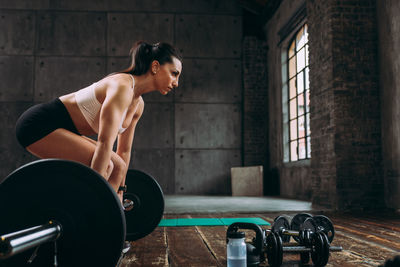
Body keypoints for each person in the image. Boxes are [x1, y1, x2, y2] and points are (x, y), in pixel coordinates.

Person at [15, 41, 182, 203]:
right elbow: (104, 143)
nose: (176, 83)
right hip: (38, 125)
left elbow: (123, 152)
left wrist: (120, 194)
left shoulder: (138, 105)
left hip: (63, 129)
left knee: (119, 166)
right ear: (155, 67)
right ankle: (93, 211)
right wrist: (95, 193)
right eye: (174, 73)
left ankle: (106, 219)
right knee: (107, 166)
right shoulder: (122, 87)